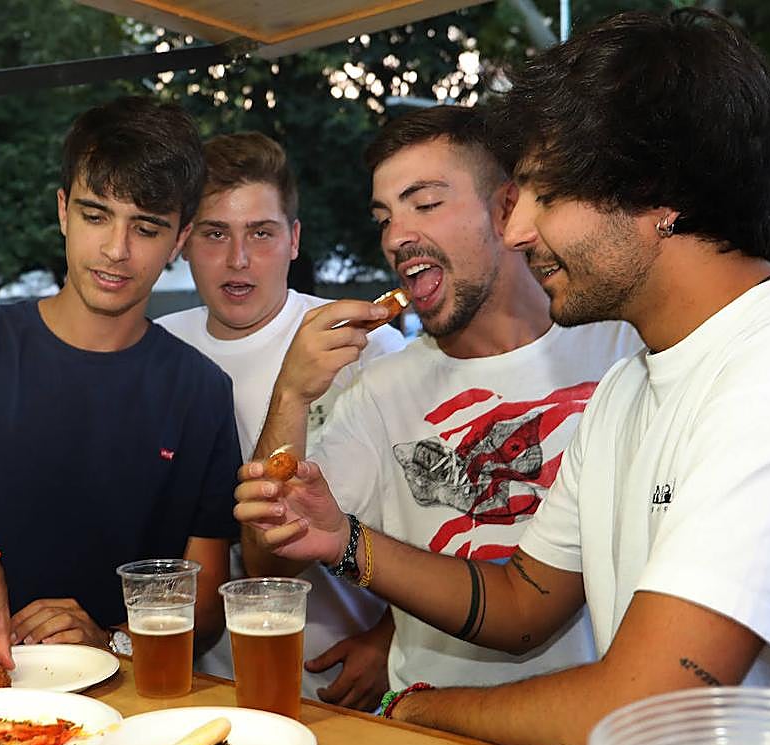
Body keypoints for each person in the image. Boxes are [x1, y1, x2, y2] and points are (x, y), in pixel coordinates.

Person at [236, 9, 770, 745]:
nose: (516, 232)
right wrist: (343, 540)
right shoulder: (632, 385)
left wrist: (415, 712)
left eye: (545, 193)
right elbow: (522, 603)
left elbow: (651, 712)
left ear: (656, 196)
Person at [240, 106, 642, 699]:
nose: (398, 237)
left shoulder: (623, 350)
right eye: (384, 218)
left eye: (425, 204)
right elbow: (270, 565)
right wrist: (292, 393)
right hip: (431, 741)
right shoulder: (375, 391)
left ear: (508, 210)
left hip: (601, 737)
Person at [0, 96, 242, 679]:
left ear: (178, 240)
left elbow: (205, 610)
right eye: (95, 215)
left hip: (125, 703)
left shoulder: (201, 389)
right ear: (62, 211)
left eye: (147, 227)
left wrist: (108, 641)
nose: (116, 249)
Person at [157, 132, 405, 708]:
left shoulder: (366, 346)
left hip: (346, 686)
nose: (238, 259)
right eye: (216, 233)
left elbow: (448, 520)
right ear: (185, 242)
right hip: (204, 680)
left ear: (294, 240)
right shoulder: (159, 351)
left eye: (261, 233)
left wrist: (389, 640)